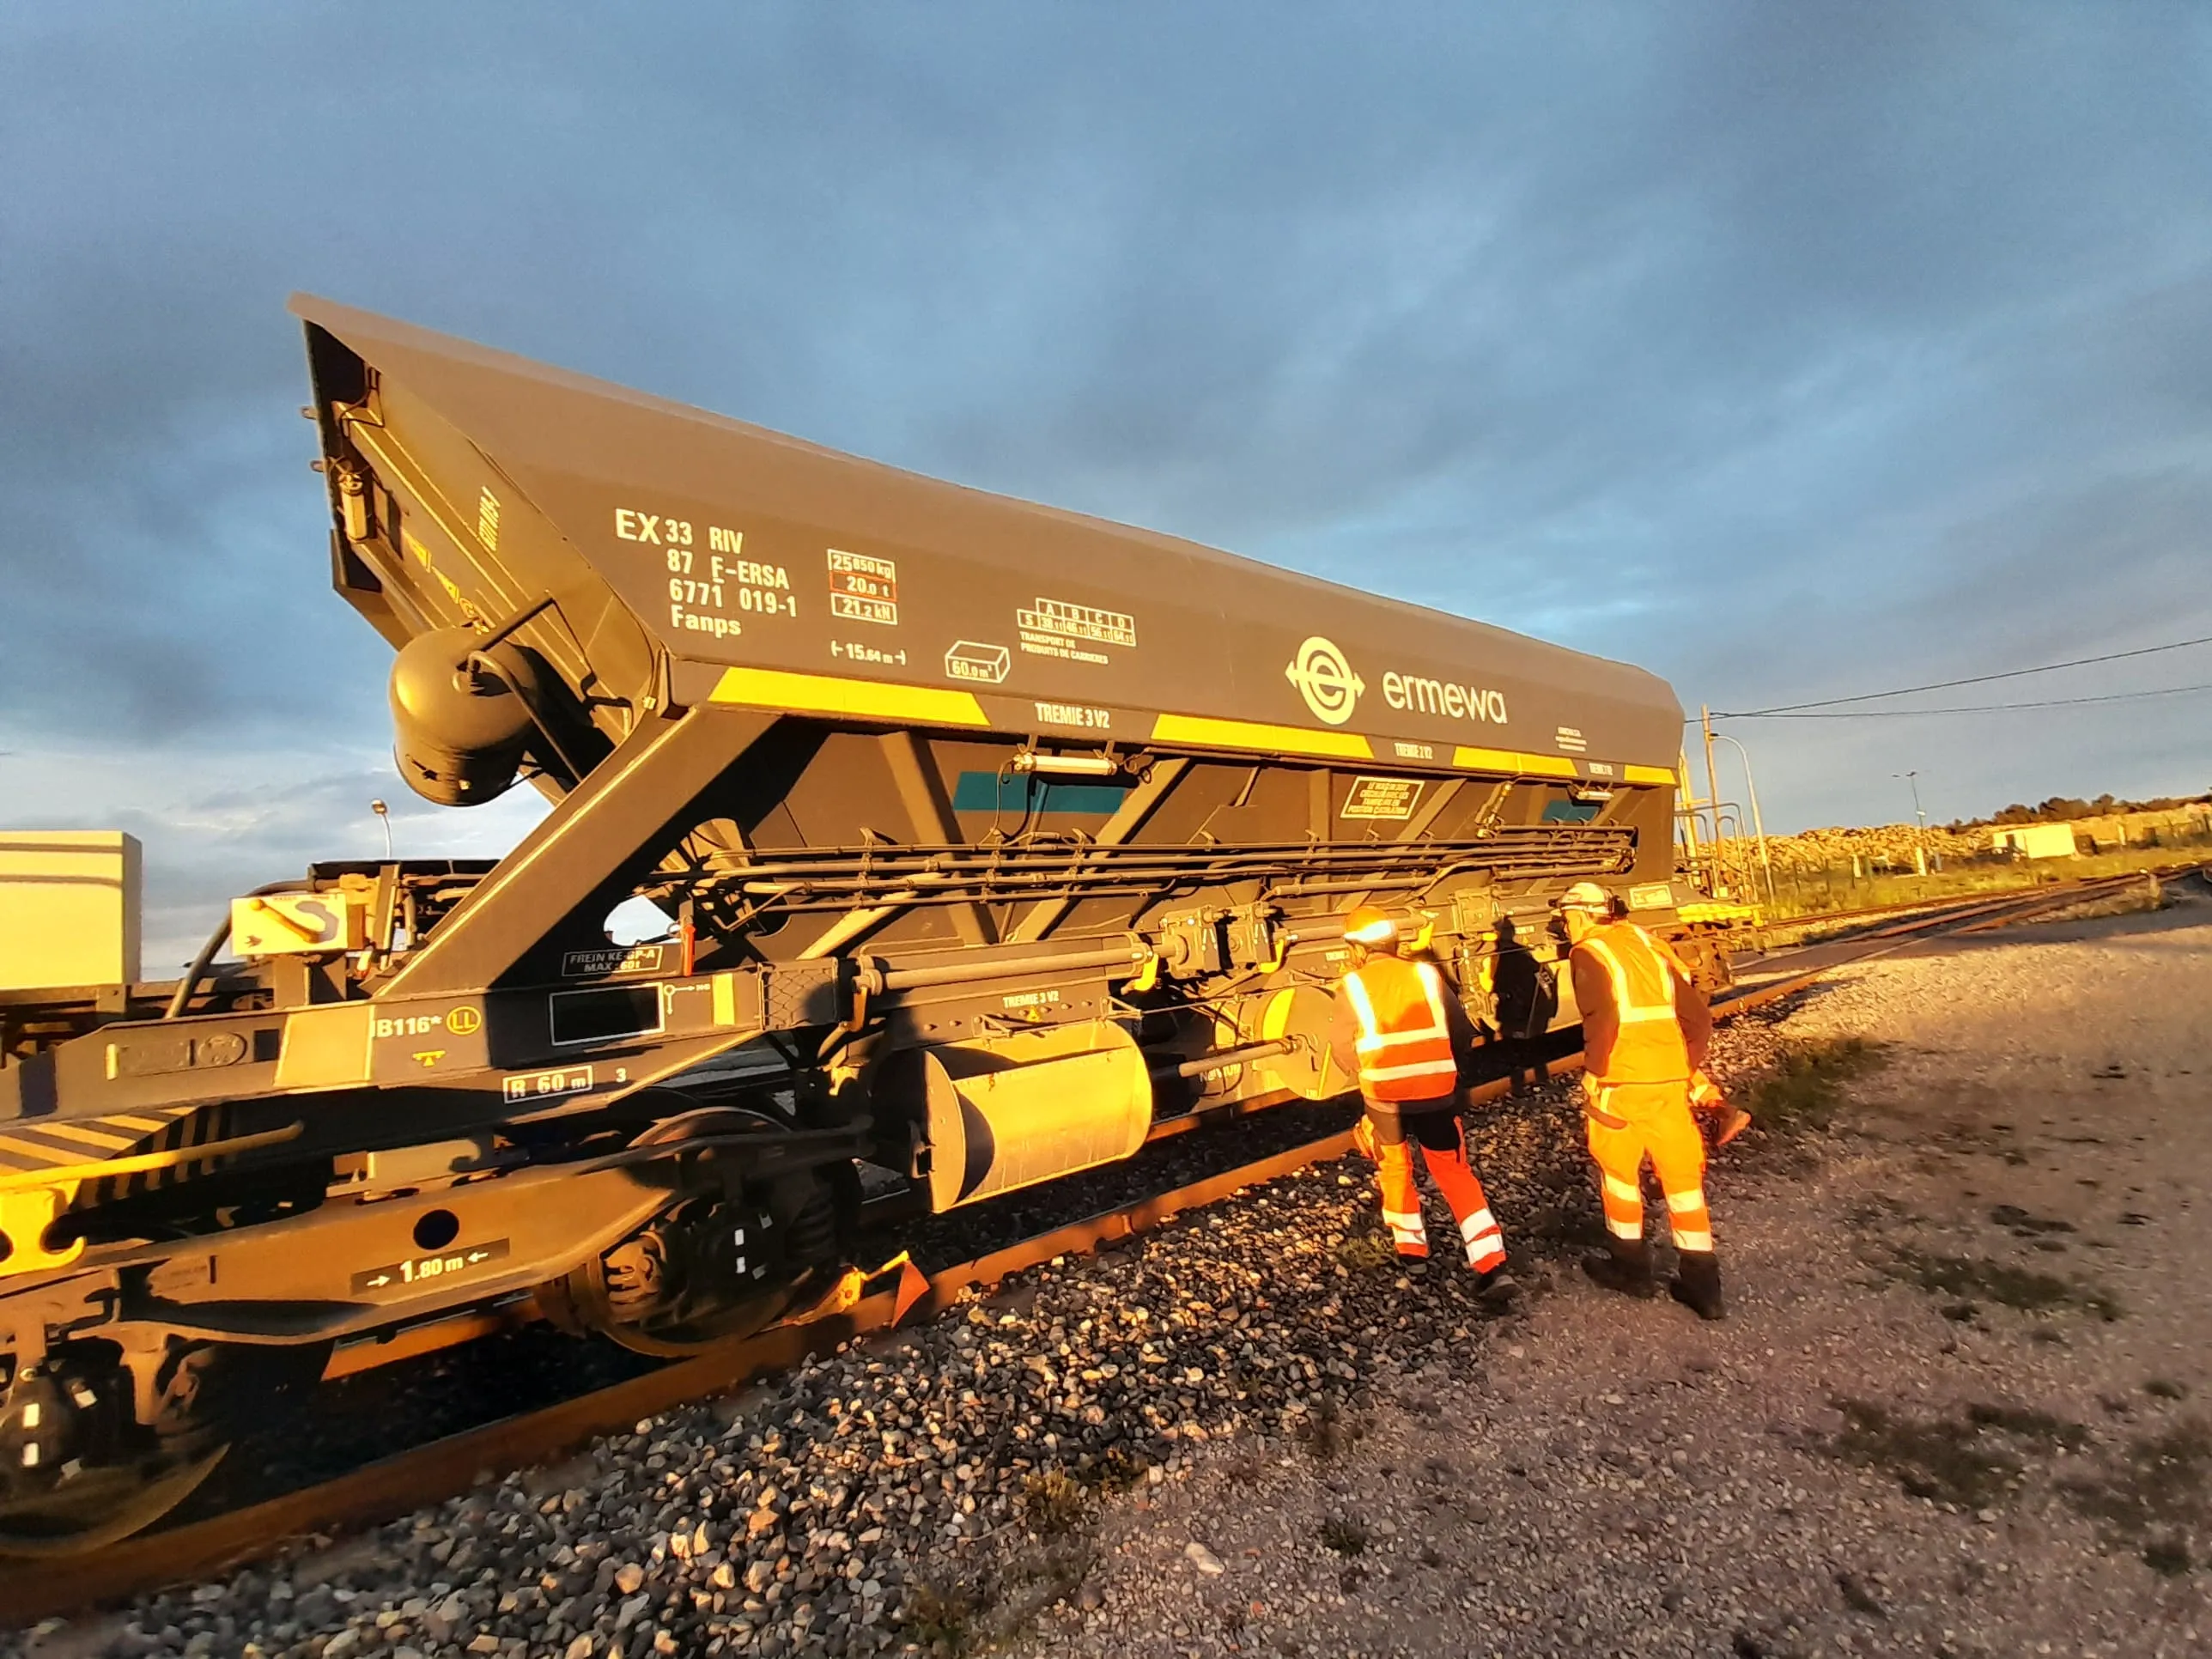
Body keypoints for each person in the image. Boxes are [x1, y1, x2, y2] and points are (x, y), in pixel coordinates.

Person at [1557, 880, 1735, 1319]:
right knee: (1682, 1179)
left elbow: (1604, 1020)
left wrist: (1596, 1078)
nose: (1566, 926)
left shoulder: (1589, 952)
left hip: (1621, 1085)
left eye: (1566, 918)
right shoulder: (1649, 945)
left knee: (1619, 1174)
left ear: (1581, 915)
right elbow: (1697, 1020)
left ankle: (1630, 1268)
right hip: (1668, 1083)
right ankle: (1703, 1287)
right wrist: (1681, 1067)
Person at [1328, 906, 1516, 1300]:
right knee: (1454, 1172)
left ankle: (1412, 1253)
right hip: (1437, 1095)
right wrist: (1446, 1069)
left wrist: (1368, 1076)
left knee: (1395, 1168)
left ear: (1358, 950)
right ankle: (1491, 1264)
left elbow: (1342, 1047)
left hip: (1384, 1099)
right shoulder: (1428, 975)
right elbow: (1461, 1031)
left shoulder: (1353, 985)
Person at [1487, 914, 1553, 1095]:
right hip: (1527, 1007)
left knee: (1516, 1049)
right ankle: (1542, 1080)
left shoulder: (1507, 956)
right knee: (1534, 1047)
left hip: (1516, 1010)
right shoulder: (1523, 953)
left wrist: (1501, 996)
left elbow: (1504, 982)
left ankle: (1519, 1087)